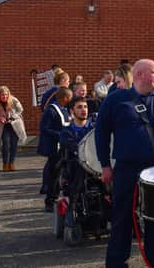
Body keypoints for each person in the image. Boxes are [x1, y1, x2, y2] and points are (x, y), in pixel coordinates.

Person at [95, 59, 154, 268]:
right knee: (122, 219)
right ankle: (117, 263)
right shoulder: (116, 100)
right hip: (126, 168)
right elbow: (101, 133)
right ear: (139, 75)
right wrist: (105, 165)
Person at [59, 96, 93, 226]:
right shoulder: (66, 132)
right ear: (72, 111)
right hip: (76, 166)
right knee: (79, 168)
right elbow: (74, 147)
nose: (83, 110)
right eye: (79, 107)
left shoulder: (94, 129)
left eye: (85, 107)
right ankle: (71, 206)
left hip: (96, 166)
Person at [37, 87, 73, 211]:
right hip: (54, 147)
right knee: (54, 175)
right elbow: (44, 128)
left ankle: (58, 197)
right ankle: (49, 201)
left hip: (64, 146)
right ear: (65, 98)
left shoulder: (64, 109)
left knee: (63, 174)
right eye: (70, 97)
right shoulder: (51, 110)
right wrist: (59, 134)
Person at [0, 86, 26, 171]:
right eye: (2, 95)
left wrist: (12, 117)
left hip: (14, 124)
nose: (4, 97)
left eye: (6, 95)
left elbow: (20, 109)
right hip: (4, 125)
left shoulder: (14, 100)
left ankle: (11, 163)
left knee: (13, 145)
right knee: (5, 144)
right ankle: (5, 163)